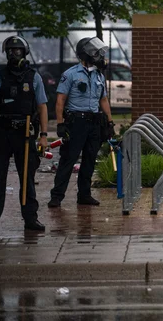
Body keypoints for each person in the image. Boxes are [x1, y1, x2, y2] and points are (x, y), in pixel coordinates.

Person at [0, 36, 48, 232]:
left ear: (24, 53)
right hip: (1, 133)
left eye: (17, 50)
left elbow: (42, 107)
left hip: (24, 134)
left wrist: (43, 135)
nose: (14, 54)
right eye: (10, 51)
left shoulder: (33, 77)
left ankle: (30, 219)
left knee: (27, 178)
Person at [48, 37, 114, 208]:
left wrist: (110, 122)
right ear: (85, 54)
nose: (99, 56)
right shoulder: (70, 74)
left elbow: (104, 100)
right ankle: (56, 196)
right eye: (95, 52)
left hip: (94, 123)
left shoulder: (99, 76)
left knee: (90, 160)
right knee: (68, 160)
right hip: (76, 122)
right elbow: (60, 101)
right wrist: (61, 124)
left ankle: (84, 195)